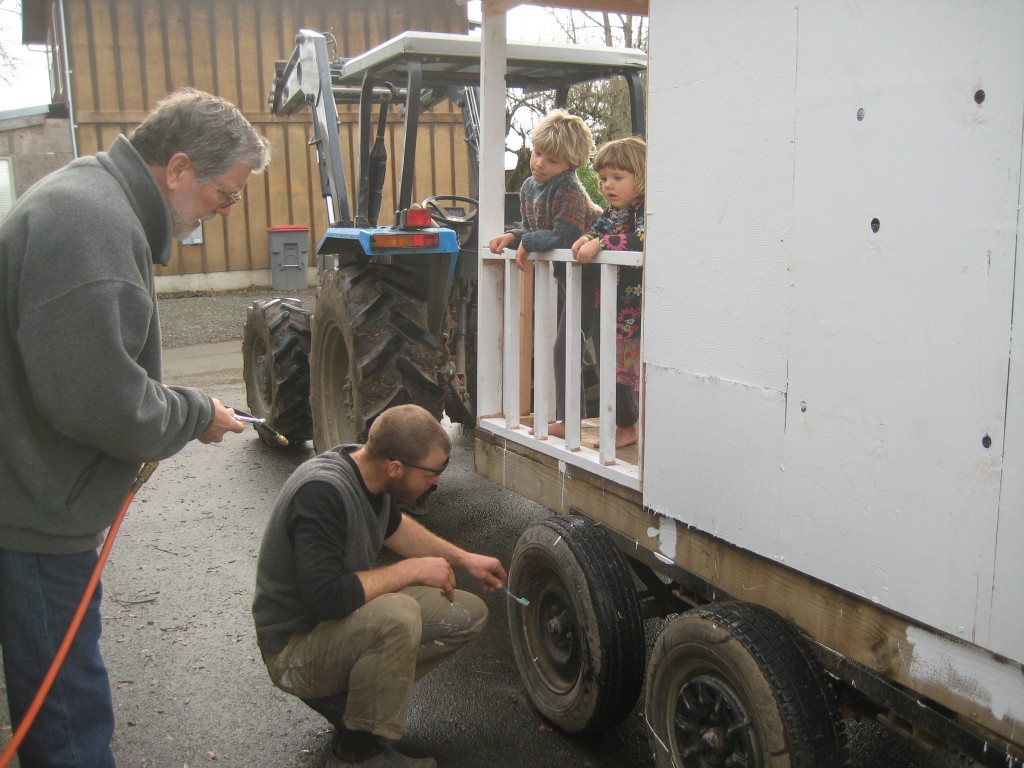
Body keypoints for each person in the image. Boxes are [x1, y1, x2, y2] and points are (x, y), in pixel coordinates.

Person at [0, 88, 270, 767]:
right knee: (67, 723)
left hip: (30, 501)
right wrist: (195, 412)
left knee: (63, 703)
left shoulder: (91, 203)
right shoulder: (88, 225)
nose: (224, 208)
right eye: (226, 193)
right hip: (31, 517)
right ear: (178, 169)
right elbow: (99, 400)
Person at [252, 404, 507, 768]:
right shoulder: (321, 494)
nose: (437, 481)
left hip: (336, 627)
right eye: (433, 472)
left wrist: (465, 559)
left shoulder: (372, 476)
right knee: (397, 615)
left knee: (466, 613)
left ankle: (359, 701)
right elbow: (326, 598)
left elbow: (397, 530)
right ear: (395, 467)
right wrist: (413, 570)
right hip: (295, 649)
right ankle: (359, 754)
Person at [488, 109, 603, 438]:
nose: (539, 163)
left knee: (603, 348)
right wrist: (514, 236)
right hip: (572, 278)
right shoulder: (529, 187)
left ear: (570, 166)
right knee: (564, 348)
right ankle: (571, 420)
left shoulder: (568, 190)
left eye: (551, 161)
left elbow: (564, 236)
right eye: (538, 154)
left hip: (596, 276)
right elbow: (533, 228)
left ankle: (622, 419)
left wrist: (529, 242)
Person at [571, 136, 646, 449]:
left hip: (633, 308)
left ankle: (629, 426)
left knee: (626, 368)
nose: (607, 185)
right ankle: (622, 422)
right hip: (611, 304)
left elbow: (641, 238)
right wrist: (585, 238)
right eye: (603, 179)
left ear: (640, 177)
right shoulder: (611, 214)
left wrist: (599, 244)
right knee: (608, 364)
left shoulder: (644, 210)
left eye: (618, 178)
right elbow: (597, 230)